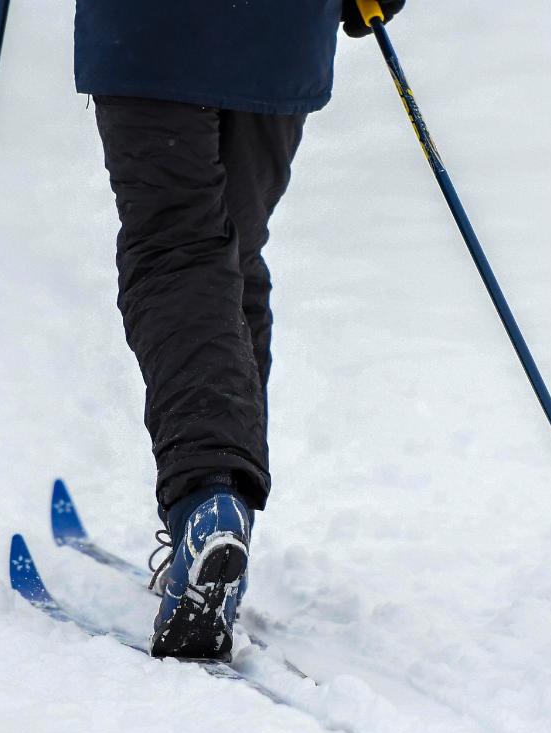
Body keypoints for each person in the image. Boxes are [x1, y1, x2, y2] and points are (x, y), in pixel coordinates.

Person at [75, 0, 405, 661]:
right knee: (226, 256)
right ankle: (222, 521)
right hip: (278, 34)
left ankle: (208, 501)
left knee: (178, 252)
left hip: (152, 31)